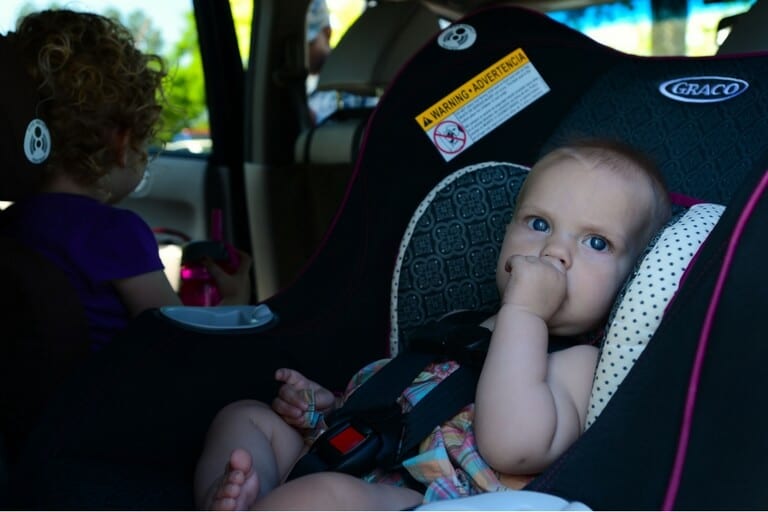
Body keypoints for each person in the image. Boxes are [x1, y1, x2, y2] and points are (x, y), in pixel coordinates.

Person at [193, 138, 673, 510]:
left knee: (324, 497)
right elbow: (409, 399)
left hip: (434, 498)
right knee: (244, 418)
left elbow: (512, 446)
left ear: (630, 279)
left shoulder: (583, 364)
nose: (554, 251)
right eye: (539, 224)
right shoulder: (460, 325)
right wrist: (330, 407)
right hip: (367, 457)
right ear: (507, 235)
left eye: (596, 243)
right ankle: (236, 493)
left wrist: (525, 314)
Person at [0, 9, 252, 350]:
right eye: (144, 141)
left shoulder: (11, 227)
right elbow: (180, 345)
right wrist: (234, 301)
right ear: (122, 143)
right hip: (116, 400)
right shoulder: (114, 232)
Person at [305, 0, 377, 124]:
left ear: (327, 33)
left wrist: (315, 121)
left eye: (309, 43)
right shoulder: (302, 84)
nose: (303, 51)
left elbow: (369, 129)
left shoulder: (353, 76)